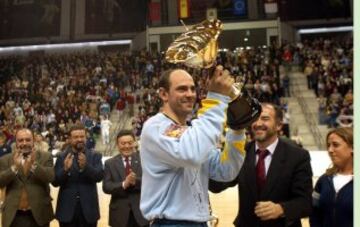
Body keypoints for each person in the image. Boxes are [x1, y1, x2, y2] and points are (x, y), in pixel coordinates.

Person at [140, 66, 247, 226]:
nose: (190, 94)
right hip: (170, 223)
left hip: (199, 222)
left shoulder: (191, 134)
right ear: (163, 94)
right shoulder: (156, 127)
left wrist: (236, 130)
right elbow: (192, 154)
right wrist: (216, 98)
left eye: (192, 89)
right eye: (182, 89)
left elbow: (226, 171)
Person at [209, 103, 313, 227]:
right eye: (255, 118)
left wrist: (281, 209)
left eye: (265, 118)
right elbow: (217, 185)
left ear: (279, 125)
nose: (258, 124)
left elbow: (305, 203)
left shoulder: (298, 156)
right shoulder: (240, 154)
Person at [0, 128, 54, 227]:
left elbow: (50, 177)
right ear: (15, 142)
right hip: (14, 215)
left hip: (40, 214)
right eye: (20, 140)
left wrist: (34, 165)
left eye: (28, 140)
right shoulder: (5, 159)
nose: (24, 143)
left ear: (33, 141)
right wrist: (14, 167)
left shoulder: (46, 156)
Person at [52, 124, 104, 227]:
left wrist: (86, 167)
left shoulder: (95, 156)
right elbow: (55, 182)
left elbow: (99, 176)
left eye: (82, 136)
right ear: (70, 139)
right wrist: (65, 170)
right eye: (76, 137)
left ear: (86, 137)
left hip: (89, 211)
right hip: (66, 212)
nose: (79, 139)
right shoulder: (62, 157)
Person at [103, 130, 148, 227]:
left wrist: (135, 181)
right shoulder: (110, 163)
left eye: (130, 143)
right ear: (117, 145)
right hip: (119, 215)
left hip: (141, 214)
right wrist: (124, 184)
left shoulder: (144, 160)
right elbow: (106, 187)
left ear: (135, 143)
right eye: (123, 143)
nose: (127, 146)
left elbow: (151, 182)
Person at [310, 127, 353, 227]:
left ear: (352, 147)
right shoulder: (323, 181)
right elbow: (314, 213)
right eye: (328, 145)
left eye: (335, 145)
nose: (330, 150)